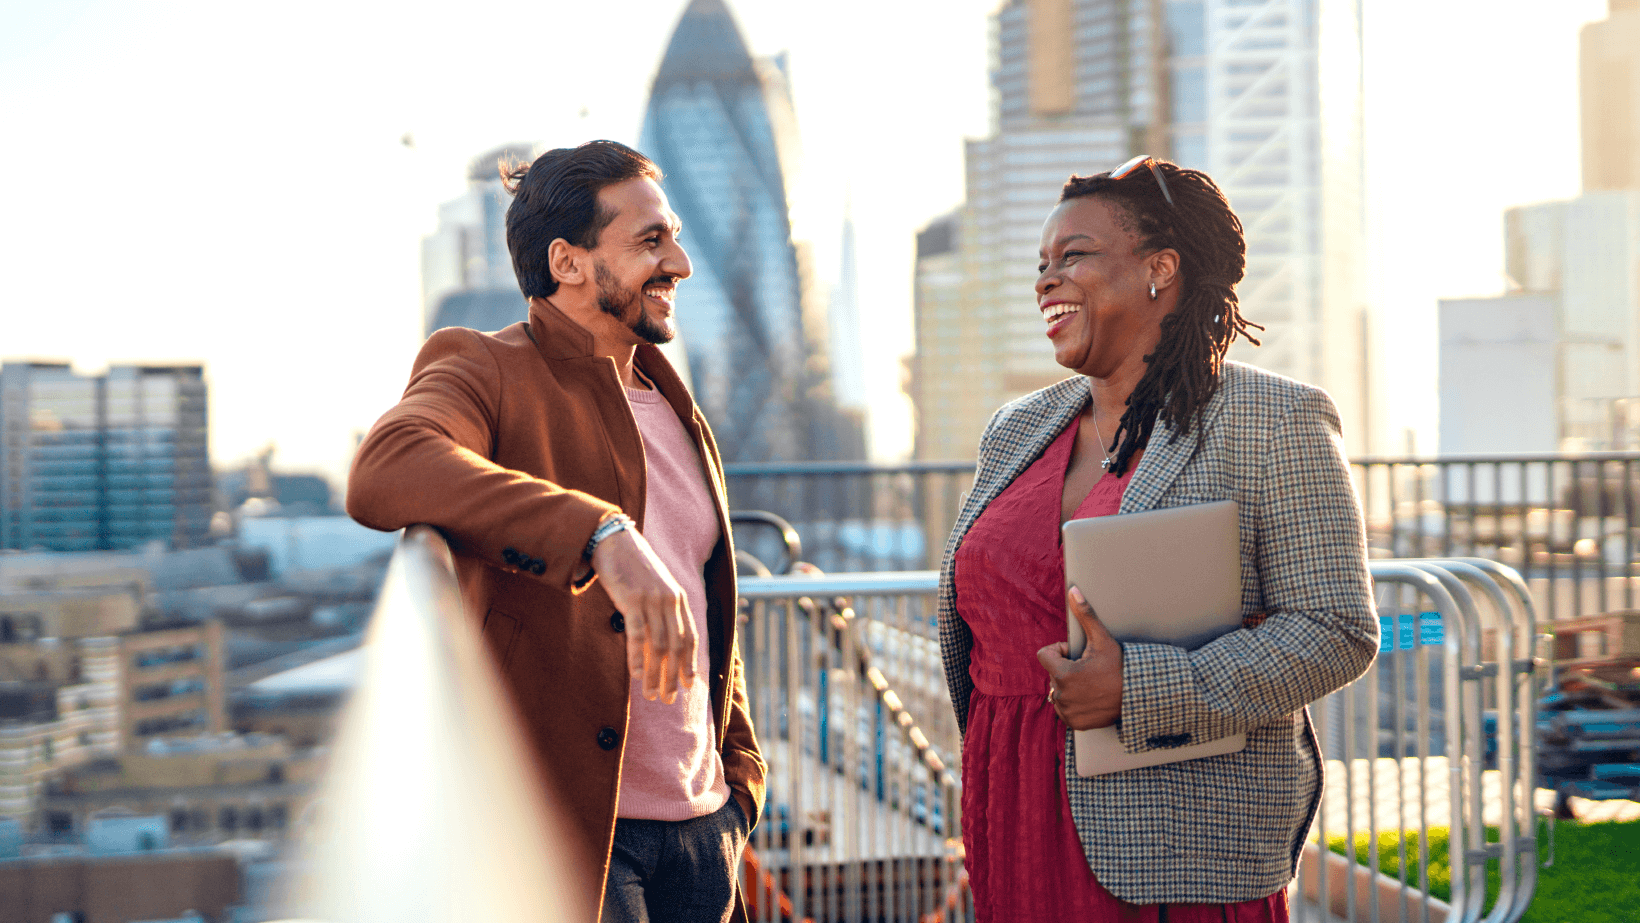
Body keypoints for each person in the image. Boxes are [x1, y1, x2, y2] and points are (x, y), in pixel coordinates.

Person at [936, 156, 1378, 921]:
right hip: (1012, 805)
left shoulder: (1272, 420)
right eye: (1041, 265)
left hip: (1175, 833)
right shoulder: (1015, 429)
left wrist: (1139, 687)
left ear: (1159, 270)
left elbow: (1337, 628)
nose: (1046, 279)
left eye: (1072, 255)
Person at [347, 140, 764, 923]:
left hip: (708, 830)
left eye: (672, 236)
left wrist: (740, 781)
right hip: (575, 841)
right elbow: (386, 466)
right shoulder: (485, 366)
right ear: (567, 262)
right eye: (650, 241)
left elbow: (704, 604)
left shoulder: (676, 404)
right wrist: (601, 532)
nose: (680, 263)